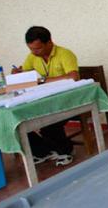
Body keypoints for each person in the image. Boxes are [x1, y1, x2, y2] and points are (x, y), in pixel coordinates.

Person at [14, 26, 79, 166]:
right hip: (44, 99)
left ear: (49, 42)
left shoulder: (65, 54)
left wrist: (43, 81)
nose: (34, 52)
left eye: (38, 49)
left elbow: (73, 77)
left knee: (50, 122)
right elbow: (25, 76)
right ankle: (43, 151)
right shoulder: (32, 57)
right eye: (31, 49)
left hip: (66, 99)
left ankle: (66, 151)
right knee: (18, 122)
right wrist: (18, 74)